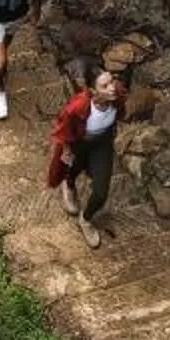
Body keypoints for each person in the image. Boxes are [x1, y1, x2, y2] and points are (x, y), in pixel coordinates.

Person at [47, 66, 122, 242]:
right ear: (92, 90)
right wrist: (66, 150)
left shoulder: (118, 96)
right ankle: (69, 184)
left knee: (101, 192)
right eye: (105, 86)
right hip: (80, 142)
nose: (112, 87)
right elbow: (64, 129)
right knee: (74, 167)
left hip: (102, 143)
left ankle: (86, 219)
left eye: (111, 81)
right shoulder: (78, 107)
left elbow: (122, 106)